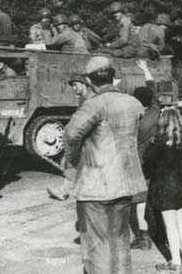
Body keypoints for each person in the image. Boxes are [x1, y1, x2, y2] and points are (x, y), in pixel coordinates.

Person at [63, 56, 147, 274]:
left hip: (95, 187)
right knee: (120, 242)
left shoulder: (94, 104)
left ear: (89, 81)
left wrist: (76, 162)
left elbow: (71, 136)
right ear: (113, 76)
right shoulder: (133, 103)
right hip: (125, 184)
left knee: (96, 246)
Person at [146, 108, 182, 274]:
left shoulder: (160, 141)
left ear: (162, 121)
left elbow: (147, 159)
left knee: (170, 225)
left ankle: (175, 261)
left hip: (165, 186)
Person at [129, 59, 161, 251]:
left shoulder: (136, 121)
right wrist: (146, 69)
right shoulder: (156, 110)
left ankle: (144, 237)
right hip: (158, 161)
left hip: (140, 163)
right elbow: (153, 88)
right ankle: (160, 235)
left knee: (139, 201)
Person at [46, 73, 93, 201]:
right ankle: (64, 190)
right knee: (71, 162)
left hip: (92, 140)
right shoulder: (83, 99)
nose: (74, 88)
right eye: (72, 85)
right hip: (85, 139)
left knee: (75, 162)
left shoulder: (91, 99)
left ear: (84, 84)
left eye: (75, 85)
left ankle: (65, 190)